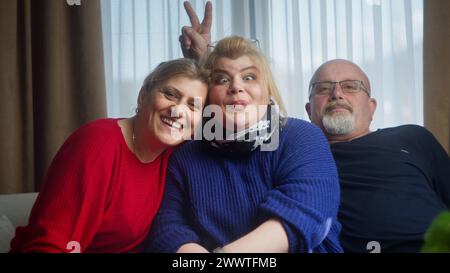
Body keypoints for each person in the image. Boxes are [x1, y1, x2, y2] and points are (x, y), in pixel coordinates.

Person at [145, 35, 343, 253]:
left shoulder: (302, 137)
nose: (236, 87)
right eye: (222, 80)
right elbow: (168, 230)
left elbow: (304, 216)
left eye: (249, 77)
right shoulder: (186, 155)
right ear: (208, 96)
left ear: (268, 91)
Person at [10, 58, 209, 252]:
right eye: (170, 94)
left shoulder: (177, 153)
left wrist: (202, 57)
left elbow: (226, 130)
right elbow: (49, 243)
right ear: (142, 96)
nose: (178, 111)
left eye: (193, 106)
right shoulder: (97, 143)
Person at [305, 59, 450, 252]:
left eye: (350, 86)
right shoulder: (300, 158)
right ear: (309, 110)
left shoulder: (412, 137)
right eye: (323, 89)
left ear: (371, 106)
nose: (337, 94)